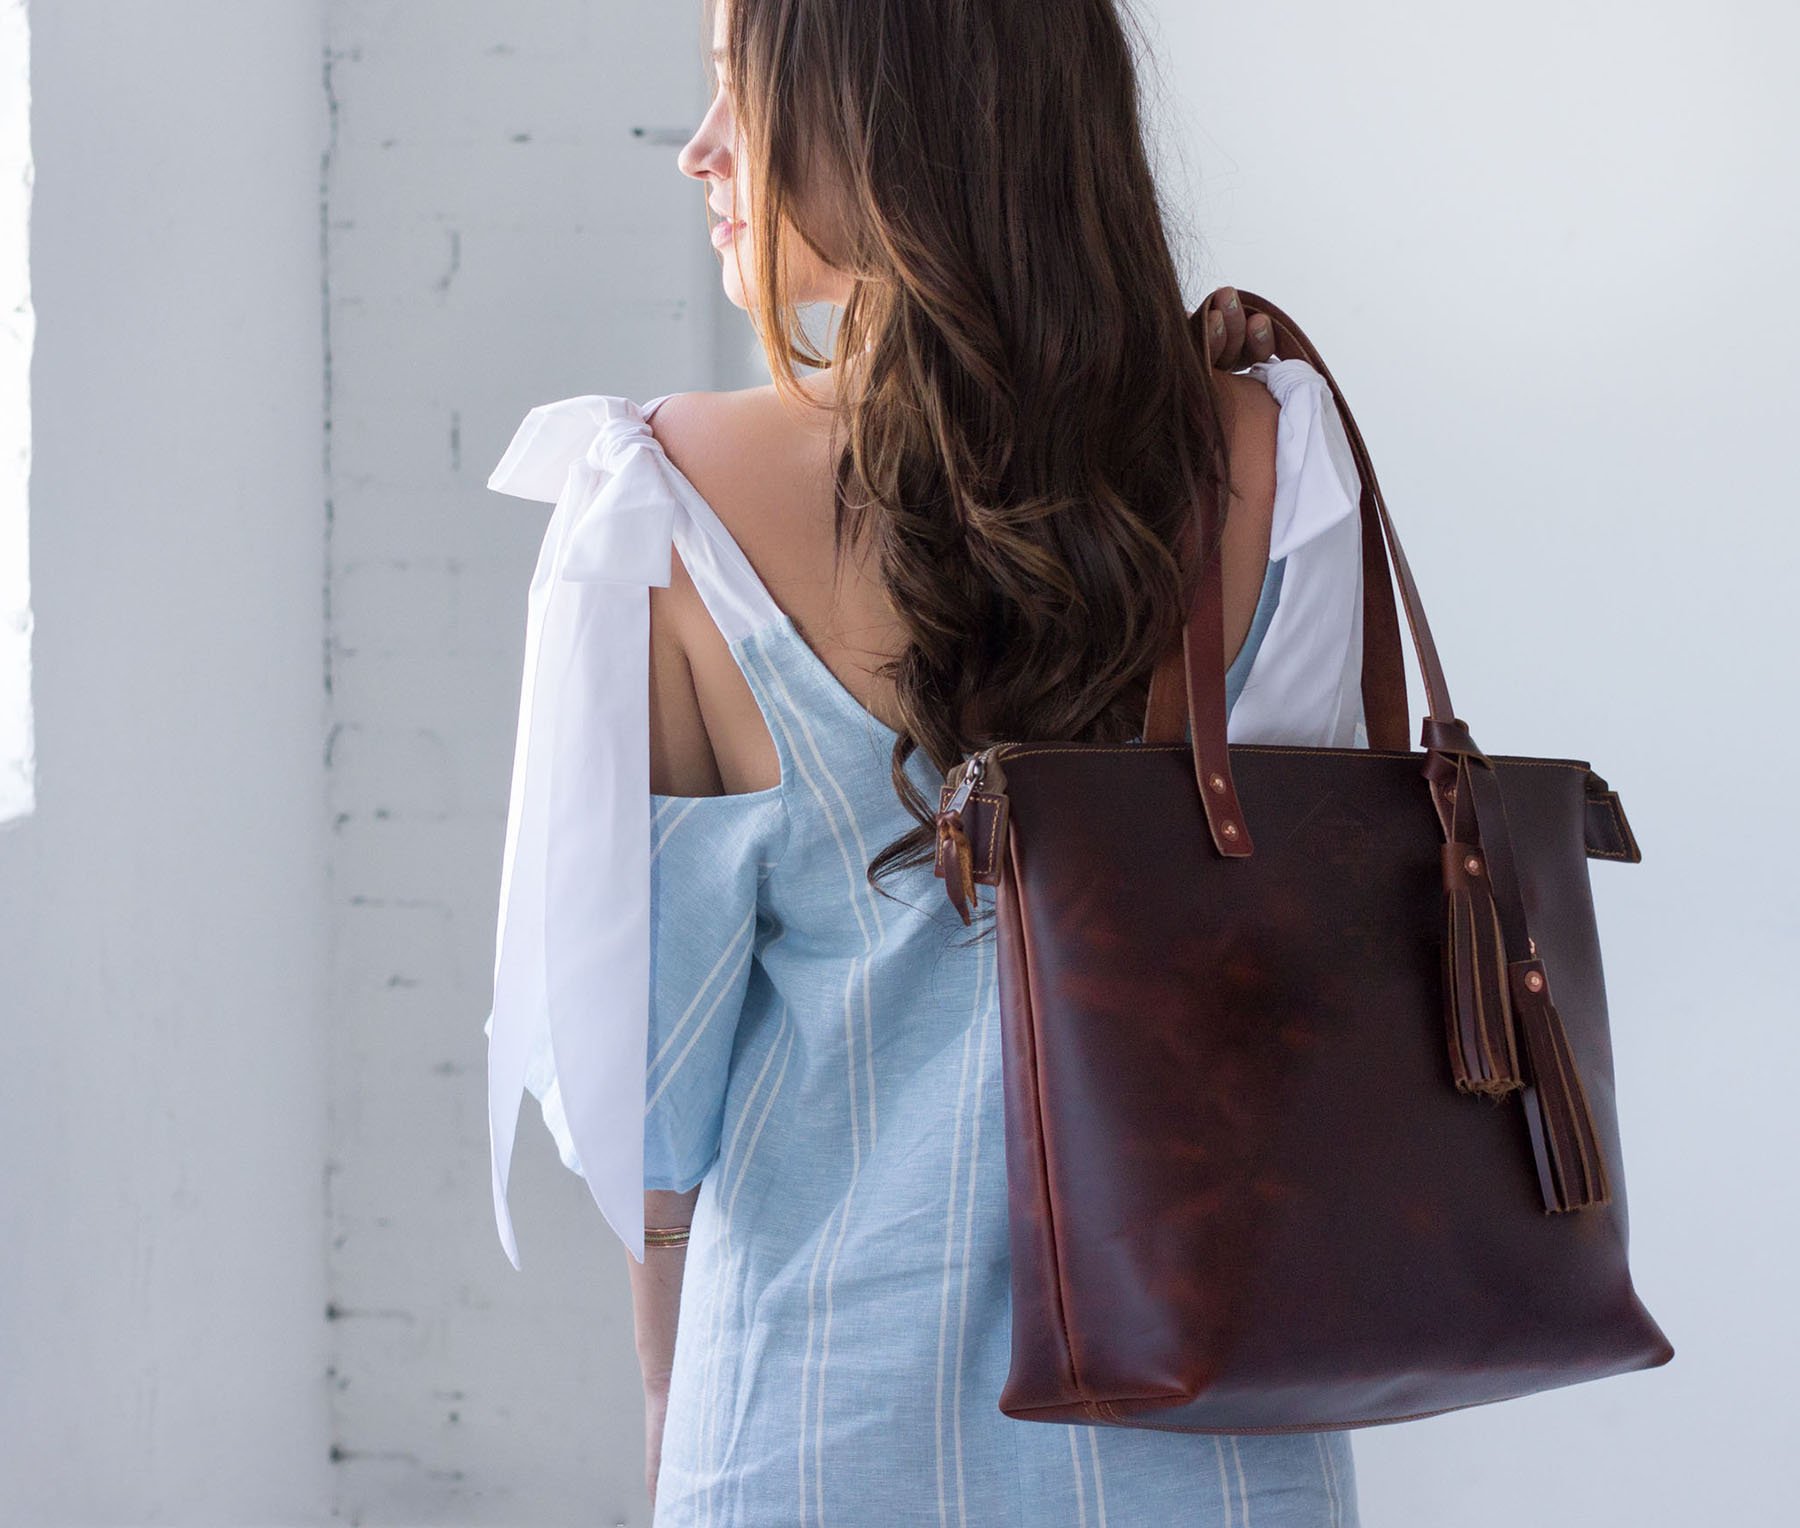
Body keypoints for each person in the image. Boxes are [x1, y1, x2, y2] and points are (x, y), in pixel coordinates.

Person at [484, 0, 1368, 1521]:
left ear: (898, 126)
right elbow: (1292, 957)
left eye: (735, 98)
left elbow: (653, 1120)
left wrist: (660, 1407)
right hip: (1214, 1438)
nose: (700, 153)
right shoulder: (1276, 467)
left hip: (816, 1425)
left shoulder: (664, 504)